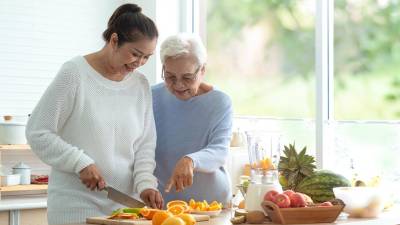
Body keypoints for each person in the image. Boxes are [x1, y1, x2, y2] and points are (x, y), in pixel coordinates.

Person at [25, 4, 163, 225]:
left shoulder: (140, 85)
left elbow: (145, 145)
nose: (139, 63)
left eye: (147, 57)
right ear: (114, 40)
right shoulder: (75, 74)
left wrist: (146, 183)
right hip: (76, 208)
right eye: (135, 54)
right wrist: (80, 162)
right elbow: (38, 132)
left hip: (127, 211)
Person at [152, 33, 233, 206]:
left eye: (187, 77)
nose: (179, 85)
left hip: (211, 206)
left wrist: (190, 160)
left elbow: (219, 151)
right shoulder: (151, 96)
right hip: (163, 206)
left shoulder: (220, 102)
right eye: (170, 77)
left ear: (202, 70)